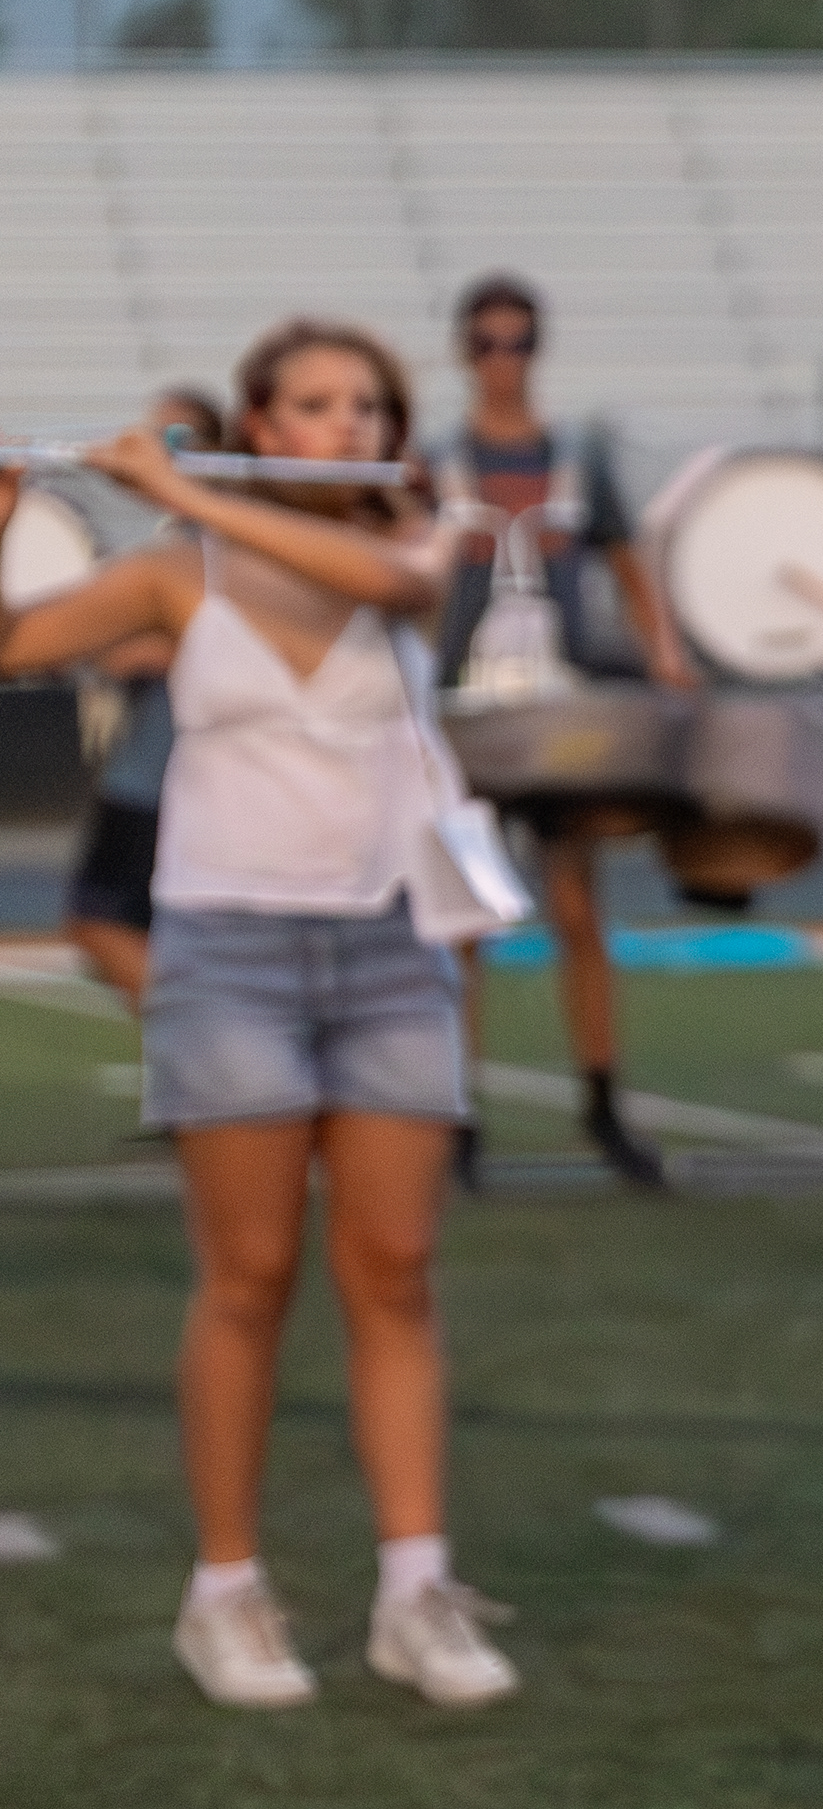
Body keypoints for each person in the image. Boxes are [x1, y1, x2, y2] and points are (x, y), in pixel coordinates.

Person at [0, 320, 522, 1711]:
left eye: (368, 405)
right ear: (261, 425)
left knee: (396, 1269)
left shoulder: (415, 539)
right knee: (249, 1277)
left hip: (393, 948)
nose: (349, 427)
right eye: (315, 405)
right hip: (229, 950)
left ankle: (415, 1591)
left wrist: (175, 485)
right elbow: (11, 648)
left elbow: (387, 584)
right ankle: (224, 1592)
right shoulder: (178, 572)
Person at [431, 273, 695, 1190]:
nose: (504, 362)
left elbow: (627, 561)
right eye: (488, 344)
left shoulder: (576, 455)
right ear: (466, 354)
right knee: (465, 919)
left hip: (562, 709)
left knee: (578, 909)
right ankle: (456, 1115)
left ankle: (602, 1101)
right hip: (465, 708)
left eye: (519, 343)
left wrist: (666, 654)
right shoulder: (440, 462)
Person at [58, 384, 227, 1014]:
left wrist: (130, 645)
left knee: (101, 921)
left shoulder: (220, 537)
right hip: (154, 767)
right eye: (153, 435)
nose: (158, 450)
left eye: (176, 438)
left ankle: (202, 1042)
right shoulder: (173, 537)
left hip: (170, 775)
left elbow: (227, 641)